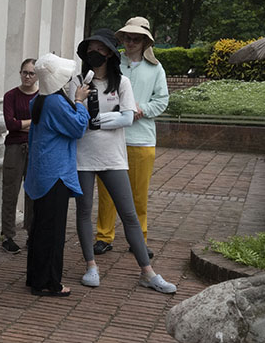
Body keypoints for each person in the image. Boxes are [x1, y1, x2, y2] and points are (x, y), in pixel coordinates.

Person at [67, 29, 177, 294]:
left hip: (114, 157)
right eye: (90, 49)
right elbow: (76, 119)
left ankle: (147, 272)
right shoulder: (78, 81)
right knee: (84, 212)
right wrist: (83, 101)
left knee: (128, 213)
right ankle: (91, 266)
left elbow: (128, 117)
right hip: (83, 157)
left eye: (99, 49)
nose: (94, 53)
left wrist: (102, 121)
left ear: (109, 53)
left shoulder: (122, 83)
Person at [94, 17, 169, 258]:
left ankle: (139, 238)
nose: (131, 42)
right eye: (127, 37)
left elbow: (162, 100)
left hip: (141, 138)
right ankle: (104, 236)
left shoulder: (156, 68)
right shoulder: (113, 64)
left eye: (136, 39)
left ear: (146, 41)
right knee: (106, 192)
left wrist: (141, 109)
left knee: (138, 193)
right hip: (111, 137)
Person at [25, 53, 91, 297]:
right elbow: (77, 128)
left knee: (40, 228)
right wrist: (79, 101)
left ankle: (36, 277)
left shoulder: (38, 101)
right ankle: (49, 282)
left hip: (42, 172)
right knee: (53, 233)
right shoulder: (55, 102)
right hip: (55, 174)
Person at [0, 58, 39, 254]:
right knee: (10, 191)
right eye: (25, 72)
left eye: (32, 73)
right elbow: (10, 124)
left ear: (37, 75)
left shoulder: (42, 97)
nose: (27, 76)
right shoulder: (11, 96)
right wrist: (31, 122)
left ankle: (32, 234)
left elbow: (44, 123)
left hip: (35, 147)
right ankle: (7, 235)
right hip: (14, 147)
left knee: (32, 193)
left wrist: (22, 122)